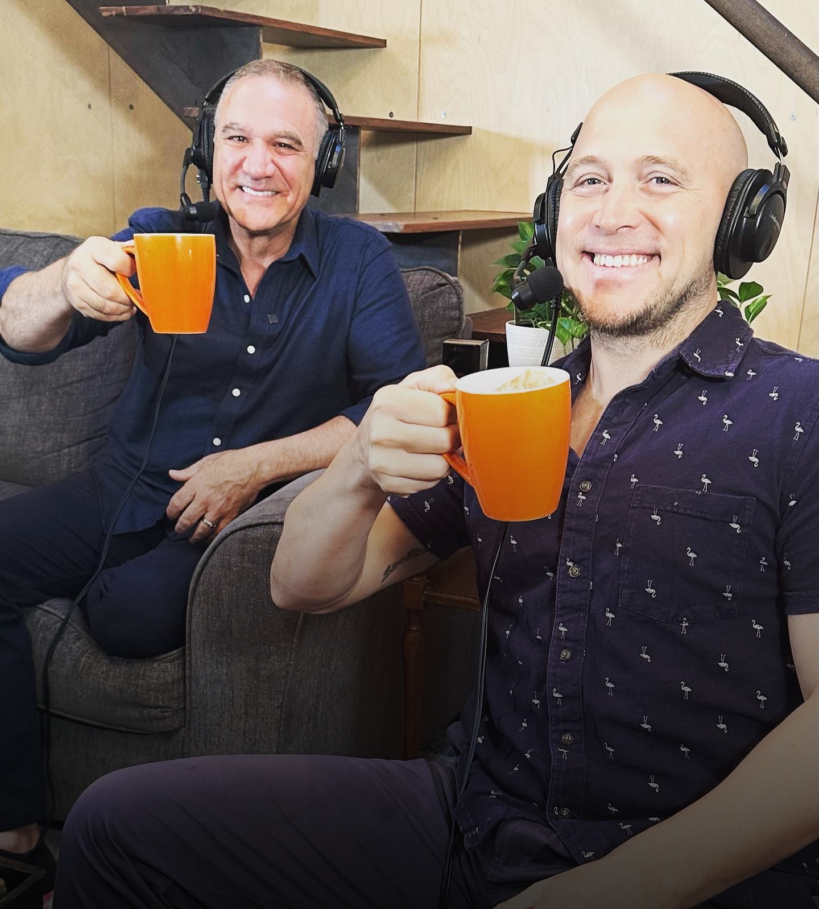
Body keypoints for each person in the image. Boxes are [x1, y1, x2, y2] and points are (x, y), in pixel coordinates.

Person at [55, 73, 818, 909]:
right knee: (116, 827)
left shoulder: (797, 413)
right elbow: (301, 584)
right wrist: (355, 467)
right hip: (472, 822)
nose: (610, 212)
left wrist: (619, 889)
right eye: (590, 179)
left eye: (660, 180)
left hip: (696, 869)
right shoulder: (508, 408)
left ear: (743, 221)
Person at [0, 60, 424, 885]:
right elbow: (19, 332)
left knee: (122, 620)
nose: (256, 164)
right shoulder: (160, 235)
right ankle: (13, 821)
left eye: (284, 144)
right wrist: (64, 281)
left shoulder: (358, 262)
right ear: (208, 147)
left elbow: (389, 405)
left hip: (236, 517)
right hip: (120, 484)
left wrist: (254, 465)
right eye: (237, 138)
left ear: (320, 163)